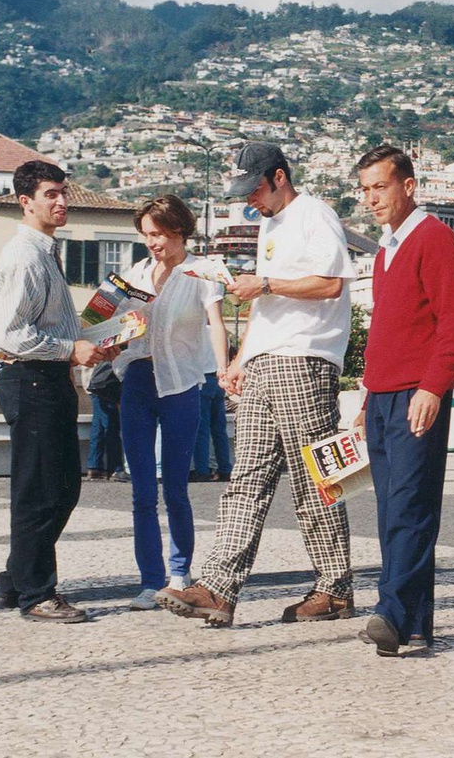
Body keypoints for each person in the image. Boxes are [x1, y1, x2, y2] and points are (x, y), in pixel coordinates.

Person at [157, 142, 355, 628]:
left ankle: (334, 588)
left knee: (316, 479)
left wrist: (264, 284)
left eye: (256, 189)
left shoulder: (315, 215)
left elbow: (331, 283)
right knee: (246, 479)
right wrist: (243, 358)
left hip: (305, 359)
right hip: (269, 360)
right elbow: (268, 309)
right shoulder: (271, 223)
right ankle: (218, 588)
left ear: (280, 177)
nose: (250, 201)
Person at [0, 161, 117, 623]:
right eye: (50, 194)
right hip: (32, 377)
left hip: (47, 378)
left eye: (63, 194)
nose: (61, 202)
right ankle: (36, 594)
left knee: (61, 489)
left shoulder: (45, 253)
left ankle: (15, 580)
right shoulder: (25, 255)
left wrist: (92, 341)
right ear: (26, 201)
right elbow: (7, 336)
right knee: (40, 492)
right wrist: (69, 348)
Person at [354, 145, 454, 656]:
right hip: (382, 395)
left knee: (409, 505)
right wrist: (365, 398)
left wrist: (433, 386)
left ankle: (392, 615)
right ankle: (418, 619)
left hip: (415, 394)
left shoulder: (435, 240)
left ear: (408, 186)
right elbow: (388, 330)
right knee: (392, 509)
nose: (371, 199)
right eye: (364, 190)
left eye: (379, 187)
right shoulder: (387, 250)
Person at [114, 195, 229, 611]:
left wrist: (225, 369)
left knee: (176, 487)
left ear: (180, 230)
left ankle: (179, 575)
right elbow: (109, 327)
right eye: (146, 235)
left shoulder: (203, 271)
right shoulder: (133, 275)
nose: (153, 243)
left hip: (181, 383)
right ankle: (150, 580)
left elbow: (216, 324)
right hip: (138, 382)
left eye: (159, 234)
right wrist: (108, 342)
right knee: (142, 489)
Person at [191, 348, 234, 483]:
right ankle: (225, 468)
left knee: (201, 429)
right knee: (219, 429)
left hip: (201, 379)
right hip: (217, 379)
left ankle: (202, 470)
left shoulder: (200, 331)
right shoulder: (218, 333)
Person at [83, 360, 125, 481]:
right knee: (111, 426)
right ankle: (114, 467)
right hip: (106, 386)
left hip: (97, 385)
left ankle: (94, 466)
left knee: (99, 427)